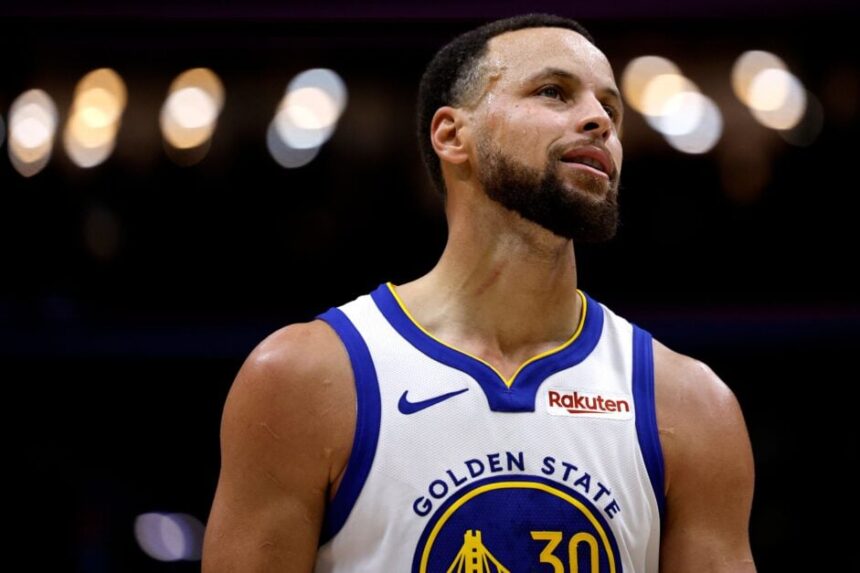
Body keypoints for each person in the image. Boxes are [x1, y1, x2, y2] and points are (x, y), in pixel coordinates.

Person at [201, 13, 756, 573]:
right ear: (451, 135)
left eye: (610, 109)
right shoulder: (304, 379)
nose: (598, 121)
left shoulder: (690, 406)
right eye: (553, 92)